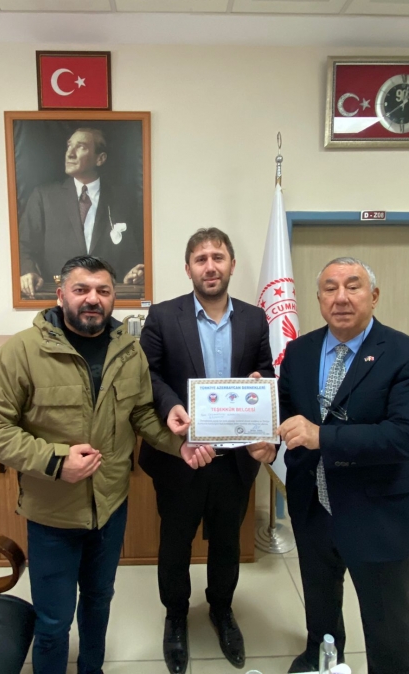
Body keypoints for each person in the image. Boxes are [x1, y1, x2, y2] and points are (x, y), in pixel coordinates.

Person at [0, 255, 215, 674]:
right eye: (81, 289)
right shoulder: (22, 352)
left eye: (103, 290)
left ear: (113, 297)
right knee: (53, 622)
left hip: (110, 509)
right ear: (60, 294)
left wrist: (180, 445)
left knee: (99, 603)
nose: (93, 299)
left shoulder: (128, 351)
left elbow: (141, 414)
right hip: (52, 515)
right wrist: (55, 460)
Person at [277, 257, 409, 674]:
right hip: (314, 507)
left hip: (377, 514)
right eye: (330, 288)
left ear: (374, 296)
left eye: (353, 286)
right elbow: (288, 413)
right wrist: (266, 436)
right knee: (320, 604)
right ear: (319, 299)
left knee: (388, 624)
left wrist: (323, 436)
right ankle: (320, 657)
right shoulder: (299, 351)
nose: (341, 297)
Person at [139, 228, 277, 674]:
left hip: (234, 459)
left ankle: (221, 609)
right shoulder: (163, 316)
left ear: (232, 264)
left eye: (218, 257)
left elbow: (264, 371)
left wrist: (260, 384)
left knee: (227, 541)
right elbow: (148, 375)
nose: (210, 266)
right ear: (188, 269)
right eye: (201, 259)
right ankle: (176, 616)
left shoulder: (255, 319)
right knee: (175, 541)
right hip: (182, 455)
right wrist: (170, 405)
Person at [19, 128, 144, 297]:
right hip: (58, 297)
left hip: (109, 296)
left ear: (100, 159)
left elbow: (133, 251)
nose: (70, 154)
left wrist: (133, 273)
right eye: (69, 146)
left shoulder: (123, 200)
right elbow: (24, 246)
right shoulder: (44, 196)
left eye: (81, 147)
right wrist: (28, 271)